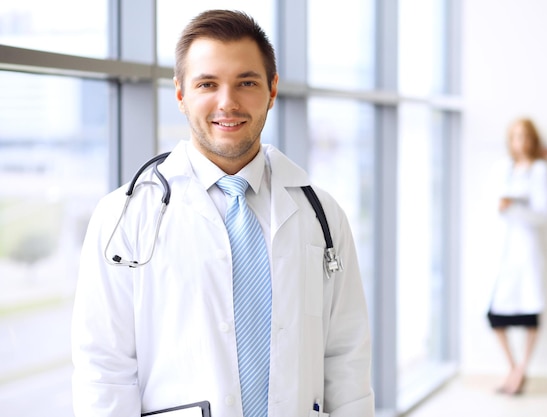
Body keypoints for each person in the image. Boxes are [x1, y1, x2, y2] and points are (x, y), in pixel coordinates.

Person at [71, 9, 374, 417]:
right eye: (207, 84)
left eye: (246, 83)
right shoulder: (124, 216)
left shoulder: (321, 213)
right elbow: (104, 369)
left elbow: (347, 355)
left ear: (272, 89)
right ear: (180, 94)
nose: (227, 102)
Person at [485, 117, 547, 395]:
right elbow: (494, 202)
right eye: (515, 136)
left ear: (533, 139)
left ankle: (522, 369)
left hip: (526, 247)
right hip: (504, 248)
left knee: (530, 312)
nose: (520, 141)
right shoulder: (504, 168)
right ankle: (514, 368)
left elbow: (543, 213)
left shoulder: (540, 170)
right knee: (494, 315)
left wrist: (512, 206)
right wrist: (507, 206)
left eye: (525, 136)